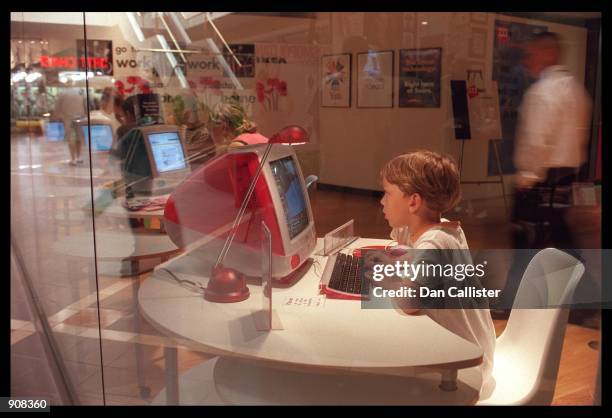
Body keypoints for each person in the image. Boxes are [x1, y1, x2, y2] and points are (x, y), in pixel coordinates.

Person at [365, 150, 496, 396]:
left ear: (413, 202)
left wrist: (386, 277)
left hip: (464, 368)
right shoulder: (448, 229)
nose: (381, 201)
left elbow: (411, 302)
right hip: (475, 353)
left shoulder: (434, 243)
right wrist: (396, 261)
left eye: (387, 193)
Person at [499, 32, 592, 309]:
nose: (528, 60)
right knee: (563, 240)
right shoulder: (576, 89)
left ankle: (513, 301)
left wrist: (528, 176)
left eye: (532, 53)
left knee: (527, 240)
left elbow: (537, 140)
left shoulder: (543, 92)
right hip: (568, 177)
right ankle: (587, 298)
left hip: (543, 181)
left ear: (549, 53)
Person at [52, 81, 87, 165]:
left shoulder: (63, 93)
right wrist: (86, 114)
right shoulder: (81, 91)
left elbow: (57, 107)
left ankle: (73, 158)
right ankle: (78, 157)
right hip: (80, 118)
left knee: (71, 139)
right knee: (79, 138)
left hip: (68, 118)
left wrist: (56, 116)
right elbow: (86, 104)